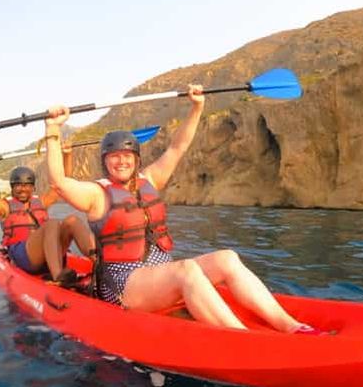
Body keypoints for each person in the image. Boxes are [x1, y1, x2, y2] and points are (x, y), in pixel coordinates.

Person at [43, 85, 320, 334]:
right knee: (186, 270)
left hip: (160, 275)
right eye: (114, 157)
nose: (121, 161)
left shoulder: (150, 179)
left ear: (136, 159)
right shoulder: (96, 194)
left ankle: (290, 326)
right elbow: (58, 181)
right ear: (105, 161)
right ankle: (243, 339)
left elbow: (178, 146)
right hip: (123, 285)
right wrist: (53, 130)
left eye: (127, 156)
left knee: (227, 258)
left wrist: (196, 108)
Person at [0, 143, 93, 285]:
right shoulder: (3, 207)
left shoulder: (42, 201)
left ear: (33, 187)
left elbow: (64, 183)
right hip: (24, 257)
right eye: (18, 185)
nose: (23, 189)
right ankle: (58, 276)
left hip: (50, 255)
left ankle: (99, 263)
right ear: (12, 187)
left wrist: (67, 155)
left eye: (27, 185)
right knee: (52, 224)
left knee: (72, 220)